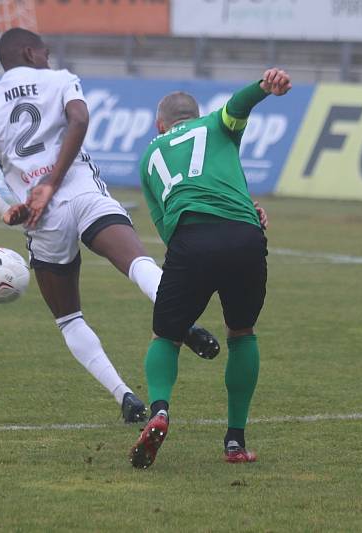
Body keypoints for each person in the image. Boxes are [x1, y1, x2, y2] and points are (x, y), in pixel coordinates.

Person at [0, 28, 219, 424]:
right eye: (44, 51)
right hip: (83, 193)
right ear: (30, 51)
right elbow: (79, 119)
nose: (48, 56)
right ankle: (185, 320)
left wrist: (3, 209)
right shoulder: (61, 79)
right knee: (137, 263)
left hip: (41, 219)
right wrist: (54, 182)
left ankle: (125, 397)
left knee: (69, 317)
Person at [129, 68, 290, 468]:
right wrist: (264, 87)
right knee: (242, 332)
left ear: (159, 124)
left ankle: (160, 412)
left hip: (191, 241)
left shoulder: (149, 156)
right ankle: (235, 442)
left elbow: (168, 226)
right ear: (196, 114)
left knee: (165, 336)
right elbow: (237, 106)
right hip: (244, 237)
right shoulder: (216, 125)